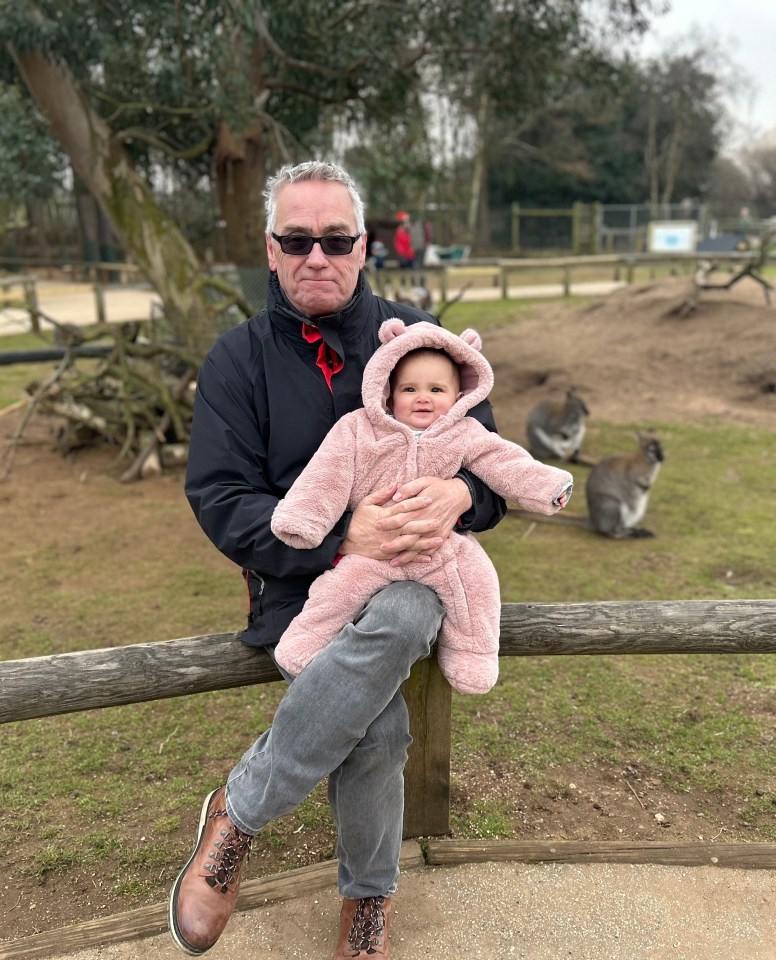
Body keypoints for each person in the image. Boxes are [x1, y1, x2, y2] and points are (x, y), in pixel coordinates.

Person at [168, 160, 507, 959]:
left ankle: (239, 813)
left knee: (405, 611)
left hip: (422, 577)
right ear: (270, 248)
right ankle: (365, 896)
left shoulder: (426, 343)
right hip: (298, 591)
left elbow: (493, 462)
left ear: (363, 246)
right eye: (296, 239)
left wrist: (461, 497)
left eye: (335, 238)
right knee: (381, 732)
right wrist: (341, 539)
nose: (316, 256)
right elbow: (220, 498)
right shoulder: (234, 362)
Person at [271, 320, 573, 694]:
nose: (423, 398)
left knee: (477, 583)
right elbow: (327, 473)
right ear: (388, 390)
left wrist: (548, 486)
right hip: (374, 551)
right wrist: (304, 517)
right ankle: (304, 643)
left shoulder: (464, 433)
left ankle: (472, 653)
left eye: (436, 389)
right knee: (334, 593)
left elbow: (506, 463)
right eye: (409, 389)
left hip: (440, 549)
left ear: (460, 394)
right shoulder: (358, 430)